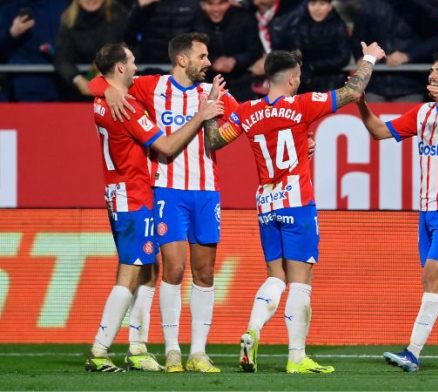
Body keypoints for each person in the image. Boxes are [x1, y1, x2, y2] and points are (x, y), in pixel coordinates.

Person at [202, 43, 386, 373]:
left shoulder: (247, 111)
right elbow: (355, 89)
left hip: (266, 205)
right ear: (289, 80)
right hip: (298, 202)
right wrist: (369, 57)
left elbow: (213, 141)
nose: (300, 81)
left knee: (275, 276)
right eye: (298, 76)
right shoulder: (303, 105)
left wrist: (209, 110)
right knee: (300, 282)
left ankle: (252, 330)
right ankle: (296, 357)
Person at [89, 32, 239, 373]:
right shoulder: (147, 87)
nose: (208, 62)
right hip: (165, 191)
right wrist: (108, 88)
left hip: (205, 191)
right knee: (171, 269)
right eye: (202, 56)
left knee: (202, 272)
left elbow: (246, 119)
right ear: (182, 59)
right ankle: (171, 350)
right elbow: (103, 80)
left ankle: (197, 353)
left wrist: (295, 143)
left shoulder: (212, 94)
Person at [355, 52, 438, 373]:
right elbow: (379, 131)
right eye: (432, 70)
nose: (433, 75)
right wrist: (361, 103)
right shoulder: (421, 113)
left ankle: (412, 352)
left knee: (431, 276)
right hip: (427, 210)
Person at [54, 0, 127, 100]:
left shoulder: (119, 15)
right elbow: (62, 58)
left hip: (115, 89)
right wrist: (78, 80)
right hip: (76, 92)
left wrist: (107, 71)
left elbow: (129, 49)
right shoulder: (68, 19)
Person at [192, 0, 264, 101]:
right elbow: (193, 50)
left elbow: (255, 51)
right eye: (210, 4)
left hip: (243, 80)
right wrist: (213, 61)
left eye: (221, 3)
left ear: (229, 2)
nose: (216, 9)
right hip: (208, 81)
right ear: (202, 5)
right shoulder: (196, 19)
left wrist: (235, 60)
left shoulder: (244, 17)